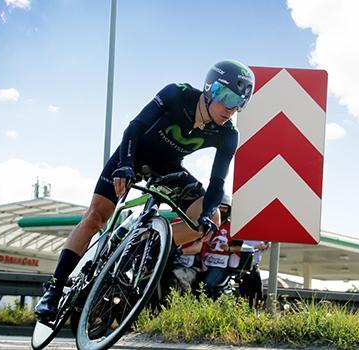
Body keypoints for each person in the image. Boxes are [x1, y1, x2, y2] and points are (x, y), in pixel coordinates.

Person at [34, 60, 255, 320]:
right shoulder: (177, 93)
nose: (231, 109)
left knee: (211, 217)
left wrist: (206, 216)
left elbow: (217, 182)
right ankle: (55, 288)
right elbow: (135, 126)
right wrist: (125, 165)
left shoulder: (228, 134)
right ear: (211, 89)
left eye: (239, 103)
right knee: (95, 217)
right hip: (133, 155)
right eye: (228, 97)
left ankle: (146, 248)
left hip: (167, 167)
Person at [200, 194, 241, 299]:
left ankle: (204, 307)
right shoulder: (207, 223)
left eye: (225, 208)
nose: (222, 210)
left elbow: (240, 247)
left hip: (220, 264)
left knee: (207, 284)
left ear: (229, 210)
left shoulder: (233, 227)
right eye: (220, 207)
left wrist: (229, 248)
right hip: (202, 260)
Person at [239, 240, 269, 307]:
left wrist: (265, 245)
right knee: (245, 295)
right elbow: (238, 248)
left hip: (255, 266)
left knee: (258, 294)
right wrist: (255, 247)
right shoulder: (242, 234)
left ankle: (255, 312)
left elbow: (266, 244)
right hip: (245, 267)